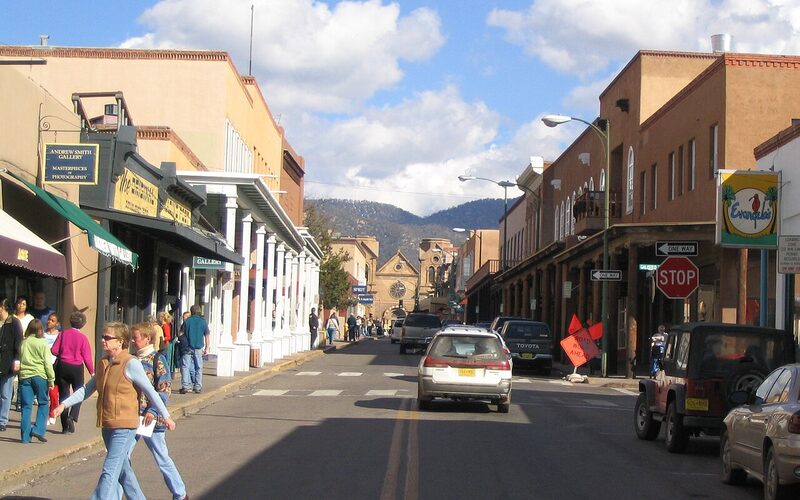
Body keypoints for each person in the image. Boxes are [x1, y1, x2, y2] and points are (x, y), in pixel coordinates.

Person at [53, 322, 176, 500]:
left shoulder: (131, 363)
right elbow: (87, 389)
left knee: (109, 471)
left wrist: (166, 416)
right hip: (107, 425)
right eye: (103, 337)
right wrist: (64, 405)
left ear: (120, 342)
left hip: (125, 426)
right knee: (123, 471)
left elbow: (151, 391)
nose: (103, 340)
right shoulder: (104, 363)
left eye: (108, 338)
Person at [130, 323, 187, 500]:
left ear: (148, 338)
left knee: (162, 458)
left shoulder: (157, 360)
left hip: (150, 419)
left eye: (136, 337)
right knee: (120, 459)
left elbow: (164, 389)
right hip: (131, 417)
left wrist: (153, 411)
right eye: (132, 337)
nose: (133, 341)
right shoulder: (132, 359)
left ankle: (180, 494)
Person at [51, 310, 95, 434]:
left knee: (64, 394)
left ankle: (64, 426)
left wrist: (63, 352)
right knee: (79, 392)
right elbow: (87, 357)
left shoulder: (63, 334)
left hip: (63, 366)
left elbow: (54, 350)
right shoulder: (83, 338)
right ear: (83, 324)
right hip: (76, 367)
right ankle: (73, 416)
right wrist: (92, 371)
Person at [18, 319, 54, 443]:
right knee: (43, 403)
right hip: (40, 376)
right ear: (40, 329)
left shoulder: (24, 342)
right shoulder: (43, 343)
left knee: (26, 407)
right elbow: (47, 363)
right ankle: (38, 429)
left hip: (25, 376)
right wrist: (51, 379)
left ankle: (25, 437)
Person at [0, 298, 23, 432]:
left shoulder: (14, 322)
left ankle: (2, 420)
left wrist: (17, 360)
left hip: (7, 362)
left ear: (3, 308)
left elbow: (18, 343)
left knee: (5, 393)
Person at [180, 305, 209, 394]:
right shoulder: (203, 322)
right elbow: (207, 335)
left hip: (188, 346)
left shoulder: (187, 321)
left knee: (185, 366)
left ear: (191, 311)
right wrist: (207, 347)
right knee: (198, 367)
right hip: (198, 346)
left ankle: (185, 386)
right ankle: (197, 387)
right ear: (199, 311)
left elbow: (181, 334)